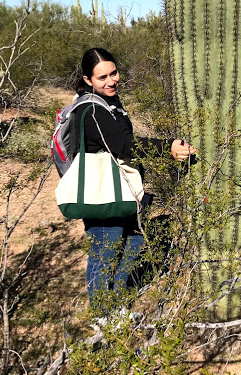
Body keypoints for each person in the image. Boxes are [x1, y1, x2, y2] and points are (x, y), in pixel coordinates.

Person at [71, 47, 196, 311]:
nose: (111, 81)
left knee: (134, 239)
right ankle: (102, 317)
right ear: (87, 80)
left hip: (122, 190)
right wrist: (168, 147)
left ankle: (118, 302)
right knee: (104, 254)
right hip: (102, 196)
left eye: (113, 73)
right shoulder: (92, 111)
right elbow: (124, 145)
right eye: (102, 77)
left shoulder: (109, 102)